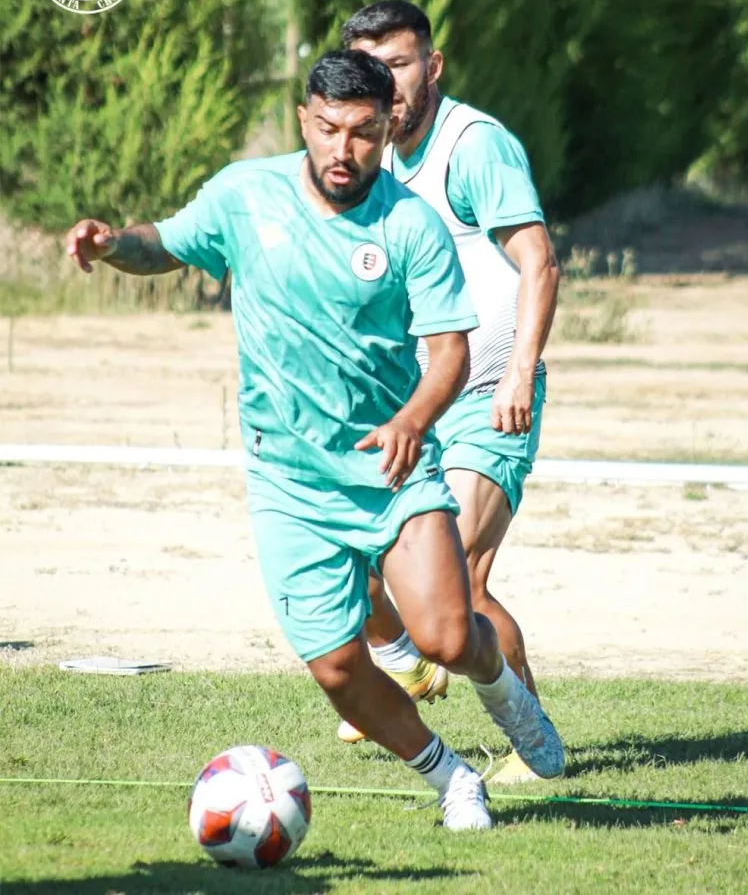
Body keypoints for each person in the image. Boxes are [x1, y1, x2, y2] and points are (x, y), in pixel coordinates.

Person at [64, 48, 564, 830]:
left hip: (390, 468)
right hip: (288, 482)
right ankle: (452, 779)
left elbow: (450, 355)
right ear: (303, 119)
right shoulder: (243, 195)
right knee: (336, 667)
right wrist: (109, 243)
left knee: (443, 634)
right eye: (328, 128)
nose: (342, 149)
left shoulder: (410, 224)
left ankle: (506, 696)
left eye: (362, 132)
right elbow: (164, 242)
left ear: (387, 129)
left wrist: (410, 421)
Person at [341, 1, 561, 783]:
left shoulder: (473, 147)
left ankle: (530, 743)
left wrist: (520, 372)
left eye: (399, 65)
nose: (387, 83)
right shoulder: (368, 160)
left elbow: (538, 262)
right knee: (362, 558)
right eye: (371, 69)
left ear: (431, 66)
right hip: (416, 405)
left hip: (490, 396)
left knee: (459, 577)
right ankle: (407, 660)